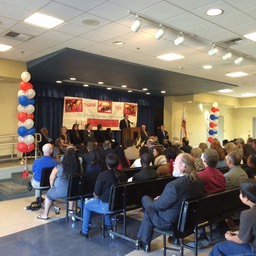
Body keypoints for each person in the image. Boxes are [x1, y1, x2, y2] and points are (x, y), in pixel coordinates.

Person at [136, 153, 204, 253]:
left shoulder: (173, 186)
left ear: (183, 166)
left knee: (146, 201)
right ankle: (143, 242)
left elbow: (158, 206)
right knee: (149, 211)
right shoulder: (198, 181)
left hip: (169, 222)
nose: (173, 165)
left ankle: (143, 242)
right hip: (189, 221)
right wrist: (163, 198)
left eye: (175, 163)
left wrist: (158, 200)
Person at [79, 153, 127, 238]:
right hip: (120, 205)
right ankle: (109, 226)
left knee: (86, 205)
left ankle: (85, 231)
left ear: (106, 163)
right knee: (105, 201)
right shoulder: (123, 175)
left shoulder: (103, 175)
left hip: (107, 206)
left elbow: (96, 194)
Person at [209, 180, 256, 256]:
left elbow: (241, 240)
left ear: (246, 198)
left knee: (218, 247)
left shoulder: (248, 214)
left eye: (240, 193)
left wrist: (229, 237)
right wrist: (239, 233)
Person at [37, 148, 81, 220]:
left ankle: (45, 214)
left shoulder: (60, 166)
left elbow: (52, 176)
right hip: (74, 192)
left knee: (48, 195)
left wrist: (52, 186)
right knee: (71, 192)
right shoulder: (79, 167)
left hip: (61, 191)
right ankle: (71, 210)